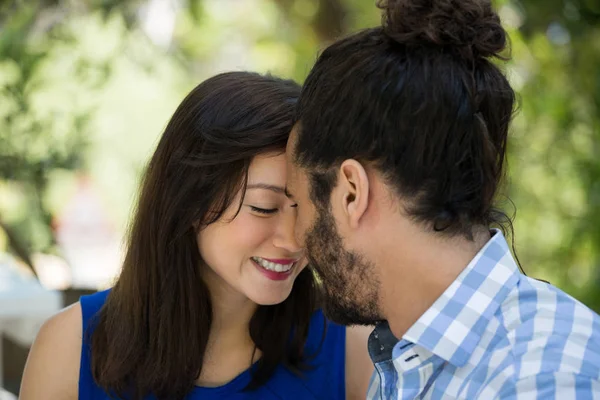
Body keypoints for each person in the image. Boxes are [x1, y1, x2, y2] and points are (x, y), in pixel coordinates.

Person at [284, 0, 600, 398]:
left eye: (297, 204)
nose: (295, 239)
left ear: (351, 192)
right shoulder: (403, 365)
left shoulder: (540, 380)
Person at [20, 72, 373, 400]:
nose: (295, 240)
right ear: (189, 202)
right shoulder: (70, 346)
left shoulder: (353, 350)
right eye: (264, 207)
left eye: (309, 208)